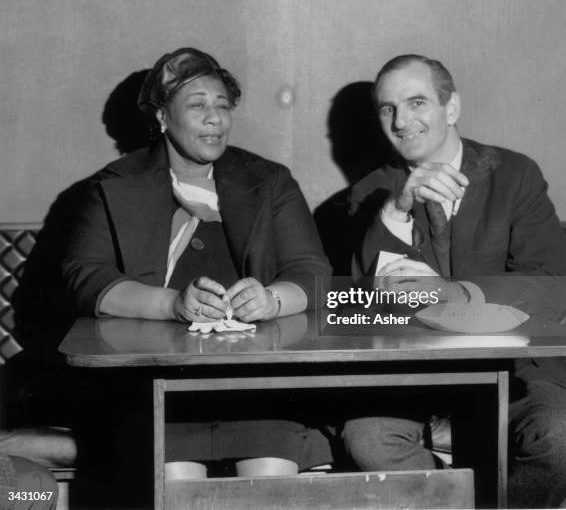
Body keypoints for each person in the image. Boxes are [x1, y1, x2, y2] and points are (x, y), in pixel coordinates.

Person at [59, 47, 332, 480]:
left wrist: (272, 301)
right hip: (154, 389)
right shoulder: (113, 184)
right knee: (174, 483)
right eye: (198, 105)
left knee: (271, 480)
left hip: (257, 389)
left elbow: (313, 273)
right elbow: (86, 279)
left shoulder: (269, 180)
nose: (215, 118)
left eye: (223, 106)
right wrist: (172, 305)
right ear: (163, 117)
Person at [343, 54, 566, 508]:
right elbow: (358, 303)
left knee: (557, 434)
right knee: (367, 438)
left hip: (515, 373)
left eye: (417, 102)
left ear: (452, 108)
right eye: (388, 108)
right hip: (414, 378)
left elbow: (549, 286)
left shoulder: (515, 174)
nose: (401, 121)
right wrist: (396, 210)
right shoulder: (371, 193)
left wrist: (455, 297)